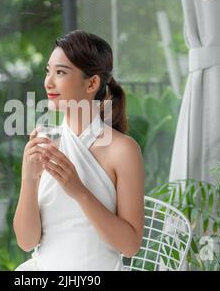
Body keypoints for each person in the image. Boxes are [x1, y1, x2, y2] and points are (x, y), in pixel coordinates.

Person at [13, 30, 144, 271]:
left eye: (60, 72)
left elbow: (130, 246)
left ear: (92, 83)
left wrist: (79, 191)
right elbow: (26, 241)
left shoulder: (122, 150)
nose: (48, 82)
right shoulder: (45, 144)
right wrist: (28, 180)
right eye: (48, 71)